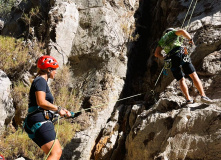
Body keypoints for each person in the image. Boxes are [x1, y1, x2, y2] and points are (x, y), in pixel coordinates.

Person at [24, 55, 71, 160]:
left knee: (52, 154)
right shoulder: (40, 81)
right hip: (39, 120)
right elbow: (41, 102)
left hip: (35, 120)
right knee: (56, 153)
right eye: (55, 69)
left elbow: (42, 104)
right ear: (49, 69)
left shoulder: (39, 81)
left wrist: (60, 110)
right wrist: (58, 109)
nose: (56, 72)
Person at [154, 28, 212, 104]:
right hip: (181, 54)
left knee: (181, 79)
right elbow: (183, 31)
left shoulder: (161, 41)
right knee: (193, 75)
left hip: (172, 58)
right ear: (171, 31)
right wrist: (190, 39)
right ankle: (203, 95)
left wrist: (164, 57)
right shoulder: (172, 33)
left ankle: (188, 99)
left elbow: (156, 54)